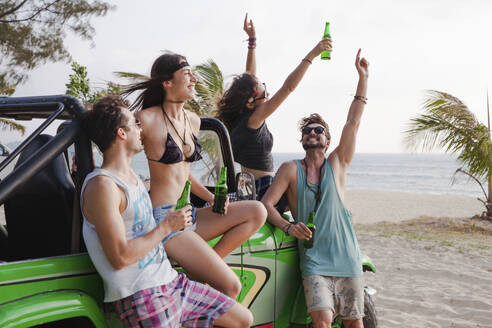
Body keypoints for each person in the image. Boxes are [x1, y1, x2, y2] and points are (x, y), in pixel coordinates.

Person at [80, 96, 252, 328]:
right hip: (141, 295)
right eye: (135, 124)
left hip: (173, 283)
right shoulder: (103, 186)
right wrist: (167, 226)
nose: (141, 130)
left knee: (242, 319)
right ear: (121, 133)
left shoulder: (133, 178)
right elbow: (119, 257)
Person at [122, 53, 267, 298]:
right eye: (187, 74)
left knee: (257, 211)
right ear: (167, 82)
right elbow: (120, 156)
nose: (195, 79)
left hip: (189, 215)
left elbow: (184, 172)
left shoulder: (193, 121)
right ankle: (204, 274)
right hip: (165, 220)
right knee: (231, 286)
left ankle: (197, 274)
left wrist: (211, 198)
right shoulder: (147, 119)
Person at [261, 49, 369, 328]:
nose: (312, 132)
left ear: (327, 138)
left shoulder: (338, 163)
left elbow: (353, 123)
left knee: (354, 323)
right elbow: (266, 205)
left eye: (318, 130)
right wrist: (288, 227)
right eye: (308, 130)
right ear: (302, 140)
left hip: (347, 257)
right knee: (321, 321)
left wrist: (363, 79)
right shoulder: (289, 170)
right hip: (314, 260)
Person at [215, 14, 332, 200]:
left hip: (247, 188)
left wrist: (252, 42)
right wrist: (313, 54)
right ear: (250, 102)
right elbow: (288, 87)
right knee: (310, 184)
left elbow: (250, 76)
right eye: (264, 92)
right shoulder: (254, 118)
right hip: (263, 188)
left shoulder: (241, 115)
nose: (268, 94)